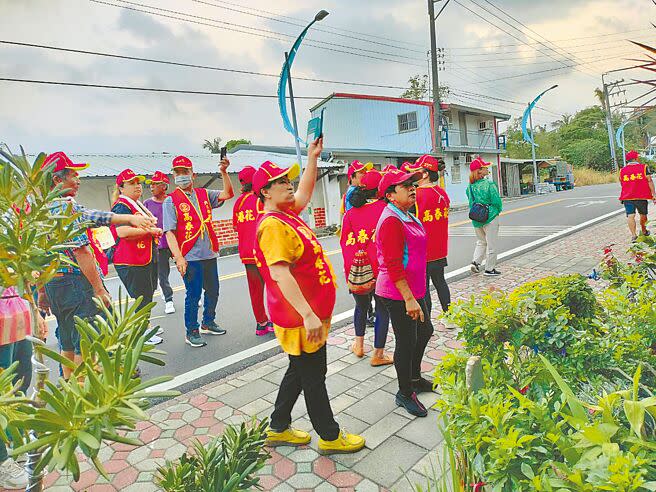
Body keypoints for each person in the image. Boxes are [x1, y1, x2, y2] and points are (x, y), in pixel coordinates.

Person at [253, 140, 365, 455]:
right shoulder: (273, 226)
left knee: (300, 370)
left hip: (305, 314)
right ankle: (330, 435)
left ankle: (277, 427)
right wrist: (307, 314)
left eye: (288, 180)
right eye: (280, 183)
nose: (289, 186)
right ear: (265, 191)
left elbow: (303, 192)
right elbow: (280, 274)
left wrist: (313, 158)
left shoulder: (286, 214)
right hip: (299, 317)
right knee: (314, 375)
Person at [41, 152, 156, 379]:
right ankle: (86, 393)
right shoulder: (65, 208)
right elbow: (82, 251)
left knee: (67, 339)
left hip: (55, 283)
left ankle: (70, 386)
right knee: (87, 340)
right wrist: (99, 289)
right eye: (73, 175)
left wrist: (43, 292)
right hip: (76, 282)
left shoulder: (43, 208)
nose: (78, 179)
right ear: (57, 180)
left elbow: (93, 215)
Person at [375, 169, 434, 418]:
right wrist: (409, 298)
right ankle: (404, 392)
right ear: (390, 195)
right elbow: (393, 263)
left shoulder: (407, 215)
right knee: (407, 341)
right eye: (404, 185)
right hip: (397, 292)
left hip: (414, 288)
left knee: (425, 330)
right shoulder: (391, 220)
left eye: (412, 184)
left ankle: (414, 377)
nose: (412, 188)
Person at [163, 155, 234, 348]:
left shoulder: (204, 194)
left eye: (185, 172)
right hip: (190, 255)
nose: (181, 176)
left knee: (213, 291)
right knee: (193, 295)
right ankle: (191, 331)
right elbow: (169, 232)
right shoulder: (171, 201)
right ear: (173, 176)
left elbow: (227, 194)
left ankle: (208, 322)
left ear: (193, 174)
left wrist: (224, 172)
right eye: (177, 173)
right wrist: (178, 258)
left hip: (209, 252)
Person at [340, 170, 393, 366]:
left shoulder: (350, 214)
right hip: (381, 271)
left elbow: (345, 245)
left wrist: (350, 274)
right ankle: (378, 354)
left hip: (359, 271)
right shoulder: (387, 210)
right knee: (382, 310)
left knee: (361, 307)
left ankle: (359, 345)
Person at [0, 287, 47, 488]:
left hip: (15, 314)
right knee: (3, 394)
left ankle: (16, 448)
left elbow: (21, 275)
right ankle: (2, 461)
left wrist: (34, 312)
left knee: (20, 386)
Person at [111, 169, 164, 345]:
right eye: (131, 183)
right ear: (121, 188)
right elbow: (121, 231)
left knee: (147, 293)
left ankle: (146, 326)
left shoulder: (136, 204)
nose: (137, 186)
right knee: (141, 297)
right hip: (131, 259)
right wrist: (149, 230)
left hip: (146, 255)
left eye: (138, 183)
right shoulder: (122, 207)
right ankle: (141, 332)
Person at [407, 155, 452, 318]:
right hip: (439, 249)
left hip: (422, 251)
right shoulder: (442, 193)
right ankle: (450, 317)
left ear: (425, 174)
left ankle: (427, 322)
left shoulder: (415, 196)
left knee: (423, 288)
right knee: (440, 282)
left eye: (417, 171)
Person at [232, 166, 273, 337]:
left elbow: (236, 227)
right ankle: (277, 321)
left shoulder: (238, 203)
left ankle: (261, 323)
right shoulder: (260, 200)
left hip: (247, 254)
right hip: (263, 252)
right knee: (273, 287)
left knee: (255, 290)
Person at [144, 171, 176, 315]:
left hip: (175, 242)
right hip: (160, 245)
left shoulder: (173, 200)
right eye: (151, 184)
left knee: (186, 268)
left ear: (164, 186)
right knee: (162, 274)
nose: (152, 187)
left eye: (155, 184)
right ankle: (168, 299)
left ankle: (193, 292)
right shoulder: (147, 204)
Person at [466, 157, 503, 276]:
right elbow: (496, 200)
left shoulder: (470, 187)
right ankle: (489, 269)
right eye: (485, 167)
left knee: (481, 241)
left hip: (476, 218)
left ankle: (475, 262)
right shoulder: (489, 184)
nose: (487, 169)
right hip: (490, 216)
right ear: (480, 171)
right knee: (491, 244)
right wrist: (497, 210)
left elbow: (471, 201)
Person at [619, 150, 655, 242]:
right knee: (643, 215)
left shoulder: (622, 170)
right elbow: (649, 180)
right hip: (641, 197)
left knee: (630, 216)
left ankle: (634, 235)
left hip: (627, 197)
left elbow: (622, 183)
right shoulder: (644, 167)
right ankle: (643, 230)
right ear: (636, 158)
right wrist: (654, 194)